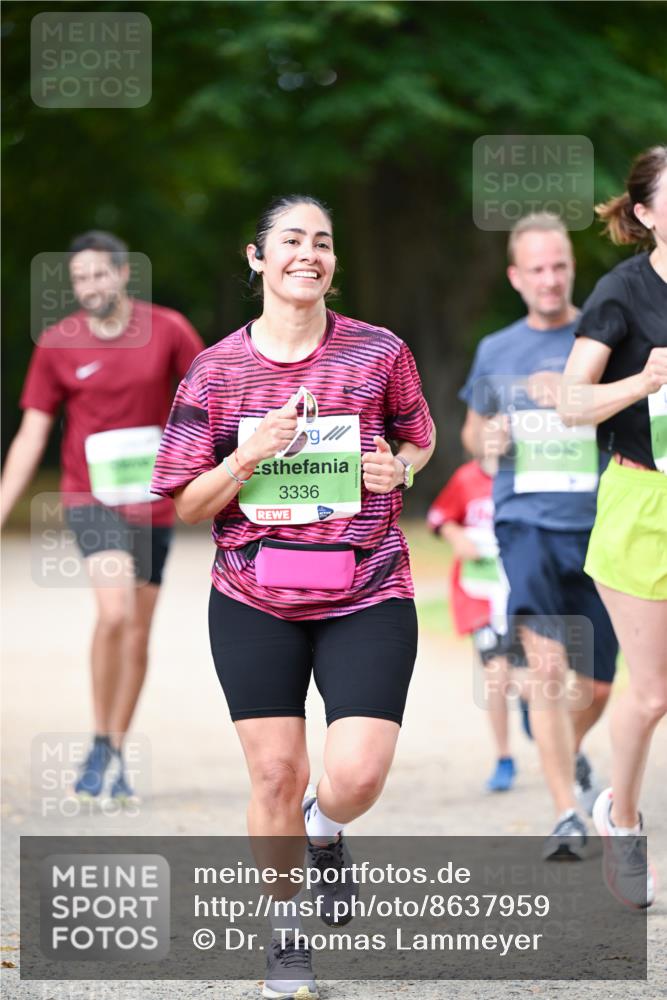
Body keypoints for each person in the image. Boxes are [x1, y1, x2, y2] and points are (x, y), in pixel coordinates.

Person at [150, 194, 434, 1000]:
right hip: (252, 598)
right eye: (290, 241)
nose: (307, 254)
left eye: (322, 242)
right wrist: (249, 456)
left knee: (356, 775)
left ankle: (327, 827)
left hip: (368, 587)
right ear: (256, 257)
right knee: (274, 772)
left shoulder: (378, 353)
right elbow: (184, 502)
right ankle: (285, 938)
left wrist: (402, 469)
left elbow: (420, 436)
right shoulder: (214, 370)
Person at [0, 230, 203, 801]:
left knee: (138, 628)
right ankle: (98, 736)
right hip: (89, 497)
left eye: (98, 275)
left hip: (155, 501)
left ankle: (112, 747)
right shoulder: (58, 343)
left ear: (122, 275)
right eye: (79, 279)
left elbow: (209, 398)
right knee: (114, 611)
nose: (89, 287)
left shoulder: (169, 330)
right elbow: (31, 433)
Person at [459, 212, 618, 860]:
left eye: (559, 267)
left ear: (570, 268)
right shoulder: (496, 349)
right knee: (545, 667)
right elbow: (472, 433)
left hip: (599, 522)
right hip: (524, 520)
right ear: (514, 276)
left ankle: (567, 745)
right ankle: (563, 813)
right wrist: (486, 439)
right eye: (537, 270)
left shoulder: (607, 334)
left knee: (600, 686)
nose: (549, 281)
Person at [560, 145, 667, 908]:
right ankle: (619, 816)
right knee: (653, 692)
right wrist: (642, 380)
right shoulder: (622, 291)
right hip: (643, 503)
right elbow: (569, 403)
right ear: (644, 213)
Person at [427, 456, 528, 793]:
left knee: (533, 677)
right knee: (497, 676)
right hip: (480, 595)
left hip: (524, 590)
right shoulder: (466, 477)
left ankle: (535, 711)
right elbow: (439, 516)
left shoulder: (528, 474)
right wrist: (456, 535)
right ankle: (504, 757)